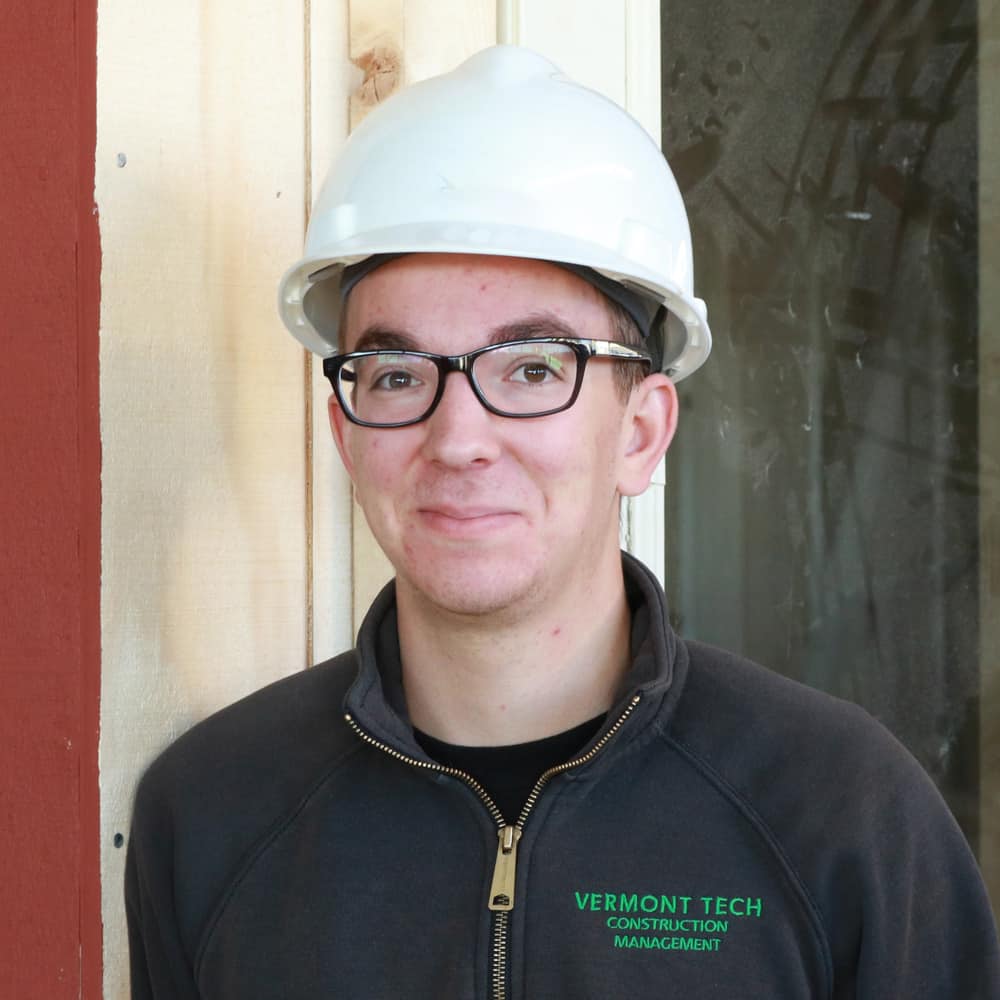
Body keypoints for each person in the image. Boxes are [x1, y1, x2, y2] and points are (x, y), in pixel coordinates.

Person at [125, 45, 999, 999]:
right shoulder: (211, 815)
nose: (457, 438)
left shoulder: (842, 816)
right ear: (345, 430)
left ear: (641, 431)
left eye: (534, 369)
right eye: (398, 375)